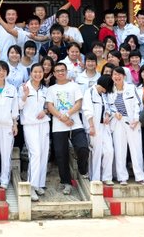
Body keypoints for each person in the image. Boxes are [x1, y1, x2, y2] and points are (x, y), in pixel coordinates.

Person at [46, 62, 89, 195]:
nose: (60, 73)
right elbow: (50, 106)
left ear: (66, 71)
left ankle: (82, 169)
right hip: (59, 127)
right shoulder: (51, 89)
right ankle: (66, 182)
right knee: (61, 155)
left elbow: (79, 103)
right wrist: (62, 117)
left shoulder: (74, 86)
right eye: (57, 71)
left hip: (75, 124)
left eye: (62, 70)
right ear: (54, 73)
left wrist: (67, 115)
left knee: (83, 148)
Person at [109, 67, 144, 185]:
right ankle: (122, 177)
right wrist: (114, 113)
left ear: (124, 76)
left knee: (136, 149)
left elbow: (138, 104)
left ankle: (140, 176)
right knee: (120, 149)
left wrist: (136, 119)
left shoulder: (131, 88)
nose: (117, 77)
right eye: (115, 74)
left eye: (119, 74)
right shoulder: (110, 90)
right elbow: (109, 106)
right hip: (118, 122)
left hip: (132, 121)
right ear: (112, 77)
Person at [19, 63, 50, 201]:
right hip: (30, 124)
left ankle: (39, 184)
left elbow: (49, 105)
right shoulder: (24, 87)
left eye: (40, 72)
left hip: (43, 124)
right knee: (35, 154)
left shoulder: (45, 89)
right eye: (35, 72)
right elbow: (18, 106)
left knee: (43, 153)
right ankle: (31, 186)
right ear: (31, 73)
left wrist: (45, 111)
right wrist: (25, 96)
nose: (38, 74)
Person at [81, 75, 114, 184]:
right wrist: (91, 127)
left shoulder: (104, 94)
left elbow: (108, 107)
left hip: (104, 126)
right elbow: (87, 110)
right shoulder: (89, 92)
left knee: (109, 150)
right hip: (93, 127)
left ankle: (107, 177)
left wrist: (107, 115)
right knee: (96, 153)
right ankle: (95, 178)